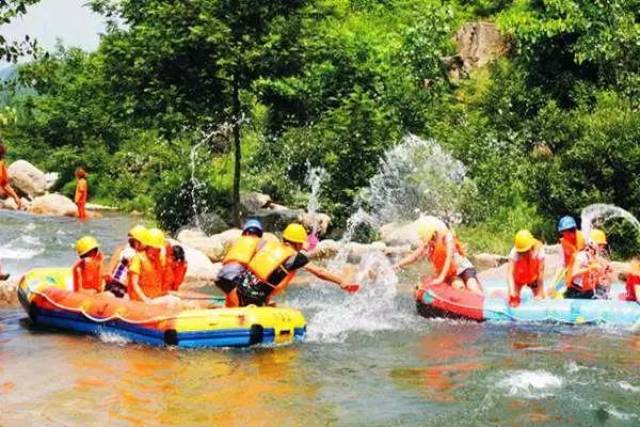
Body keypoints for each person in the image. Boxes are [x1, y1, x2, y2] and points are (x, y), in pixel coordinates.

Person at [230, 223, 359, 307]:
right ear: (297, 243)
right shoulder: (296, 257)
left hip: (239, 288)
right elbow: (319, 272)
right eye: (301, 243)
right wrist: (341, 281)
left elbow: (265, 271)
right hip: (253, 297)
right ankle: (262, 303)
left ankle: (264, 301)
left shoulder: (269, 245)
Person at [393, 221, 483, 295]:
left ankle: (488, 304)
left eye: (431, 238)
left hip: (464, 269)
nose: (430, 241)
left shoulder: (447, 237)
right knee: (458, 287)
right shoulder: (428, 243)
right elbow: (413, 257)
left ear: (433, 233)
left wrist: (441, 278)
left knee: (472, 287)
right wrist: (397, 265)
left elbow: (449, 257)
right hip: (452, 274)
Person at [216, 219, 264, 306]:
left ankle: (228, 306)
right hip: (235, 275)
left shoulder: (238, 241)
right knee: (241, 303)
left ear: (245, 232)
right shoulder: (259, 243)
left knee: (231, 293)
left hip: (220, 275)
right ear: (259, 234)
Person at [565, 229, 613, 299]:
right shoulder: (582, 256)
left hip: (588, 292)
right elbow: (574, 273)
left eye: (602, 245)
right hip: (575, 292)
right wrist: (590, 268)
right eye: (600, 245)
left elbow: (597, 278)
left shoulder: (595, 258)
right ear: (592, 243)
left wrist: (605, 272)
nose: (602, 248)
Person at [127, 228, 168, 303]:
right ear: (147, 247)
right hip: (139, 300)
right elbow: (134, 284)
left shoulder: (159, 260)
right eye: (153, 248)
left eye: (158, 249)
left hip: (154, 298)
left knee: (174, 300)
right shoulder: (138, 258)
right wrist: (145, 299)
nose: (156, 252)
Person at [106, 225, 147, 298]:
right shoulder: (134, 255)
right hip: (121, 288)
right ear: (137, 242)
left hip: (111, 285)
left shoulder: (121, 249)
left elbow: (109, 273)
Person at [507, 229, 545, 307]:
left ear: (531, 247)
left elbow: (541, 273)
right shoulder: (514, 252)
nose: (523, 254)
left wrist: (540, 294)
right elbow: (510, 273)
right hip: (518, 279)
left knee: (540, 299)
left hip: (534, 279)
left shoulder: (539, 251)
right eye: (521, 253)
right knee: (512, 301)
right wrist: (512, 292)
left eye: (525, 252)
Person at [0, 142, 21, 209]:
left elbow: (4, 184)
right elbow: (5, 185)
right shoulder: (1, 164)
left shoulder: (1, 165)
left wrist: (16, 197)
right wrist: (16, 197)